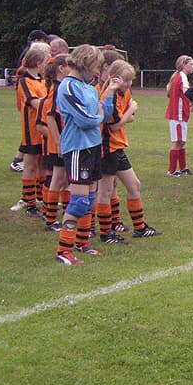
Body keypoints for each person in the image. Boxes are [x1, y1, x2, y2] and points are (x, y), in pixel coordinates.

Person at [54, 45, 120, 265]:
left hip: (93, 147)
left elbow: (104, 113)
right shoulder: (68, 87)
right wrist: (98, 116)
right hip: (77, 149)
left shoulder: (89, 87)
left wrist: (109, 94)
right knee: (79, 201)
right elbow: (85, 120)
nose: (96, 72)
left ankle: (82, 243)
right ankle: (64, 249)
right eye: (94, 66)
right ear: (83, 63)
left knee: (89, 200)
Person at [95, 59, 160, 245]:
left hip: (119, 146)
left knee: (134, 185)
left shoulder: (125, 92)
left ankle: (140, 228)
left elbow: (129, 118)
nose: (129, 84)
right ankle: (106, 233)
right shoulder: (109, 94)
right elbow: (114, 125)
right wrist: (130, 111)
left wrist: (128, 115)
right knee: (105, 190)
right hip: (107, 147)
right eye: (125, 80)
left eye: (130, 80)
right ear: (115, 78)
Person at [15, 44, 51, 218]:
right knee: (30, 165)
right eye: (45, 62)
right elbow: (35, 103)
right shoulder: (24, 81)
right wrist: (50, 105)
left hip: (43, 128)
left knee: (42, 165)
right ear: (38, 63)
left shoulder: (41, 80)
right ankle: (29, 203)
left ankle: (41, 199)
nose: (46, 65)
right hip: (31, 129)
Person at [38, 55, 70, 230]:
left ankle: (64, 215)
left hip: (63, 141)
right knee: (57, 178)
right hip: (59, 142)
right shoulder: (56, 89)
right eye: (69, 66)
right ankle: (50, 220)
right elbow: (50, 117)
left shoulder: (61, 87)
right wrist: (58, 142)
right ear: (61, 68)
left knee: (64, 179)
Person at [165, 55, 193, 176]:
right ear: (183, 65)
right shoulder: (181, 76)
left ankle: (183, 167)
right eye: (191, 64)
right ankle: (171, 170)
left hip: (180, 113)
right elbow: (186, 92)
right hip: (178, 114)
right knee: (177, 141)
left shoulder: (179, 76)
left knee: (181, 141)